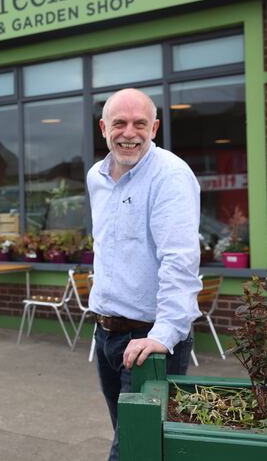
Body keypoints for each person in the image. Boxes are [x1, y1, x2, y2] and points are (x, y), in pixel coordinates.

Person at [87, 88, 201, 461]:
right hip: (107, 336)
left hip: (149, 341)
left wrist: (164, 336)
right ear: (104, 127)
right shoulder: (96, 177)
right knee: (142, 448)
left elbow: (179, 262)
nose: (129, 133)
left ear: (154, 127)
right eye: (119, 123)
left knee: (134, 451)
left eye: (140, 124)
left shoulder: (169, 176)